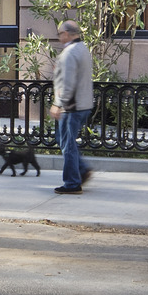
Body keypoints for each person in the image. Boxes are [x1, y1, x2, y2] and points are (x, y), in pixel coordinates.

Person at [51, 19, 93, 194]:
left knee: (67, 145)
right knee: (64, 140)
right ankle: (81, 170)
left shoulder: (69, 53)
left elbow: (67, 83)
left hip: (71, 107)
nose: (60, 36)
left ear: (67, 33)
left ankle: (72, 183)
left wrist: (58, 105)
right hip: (84, 104)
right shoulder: (83, 49)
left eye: (60, 33)